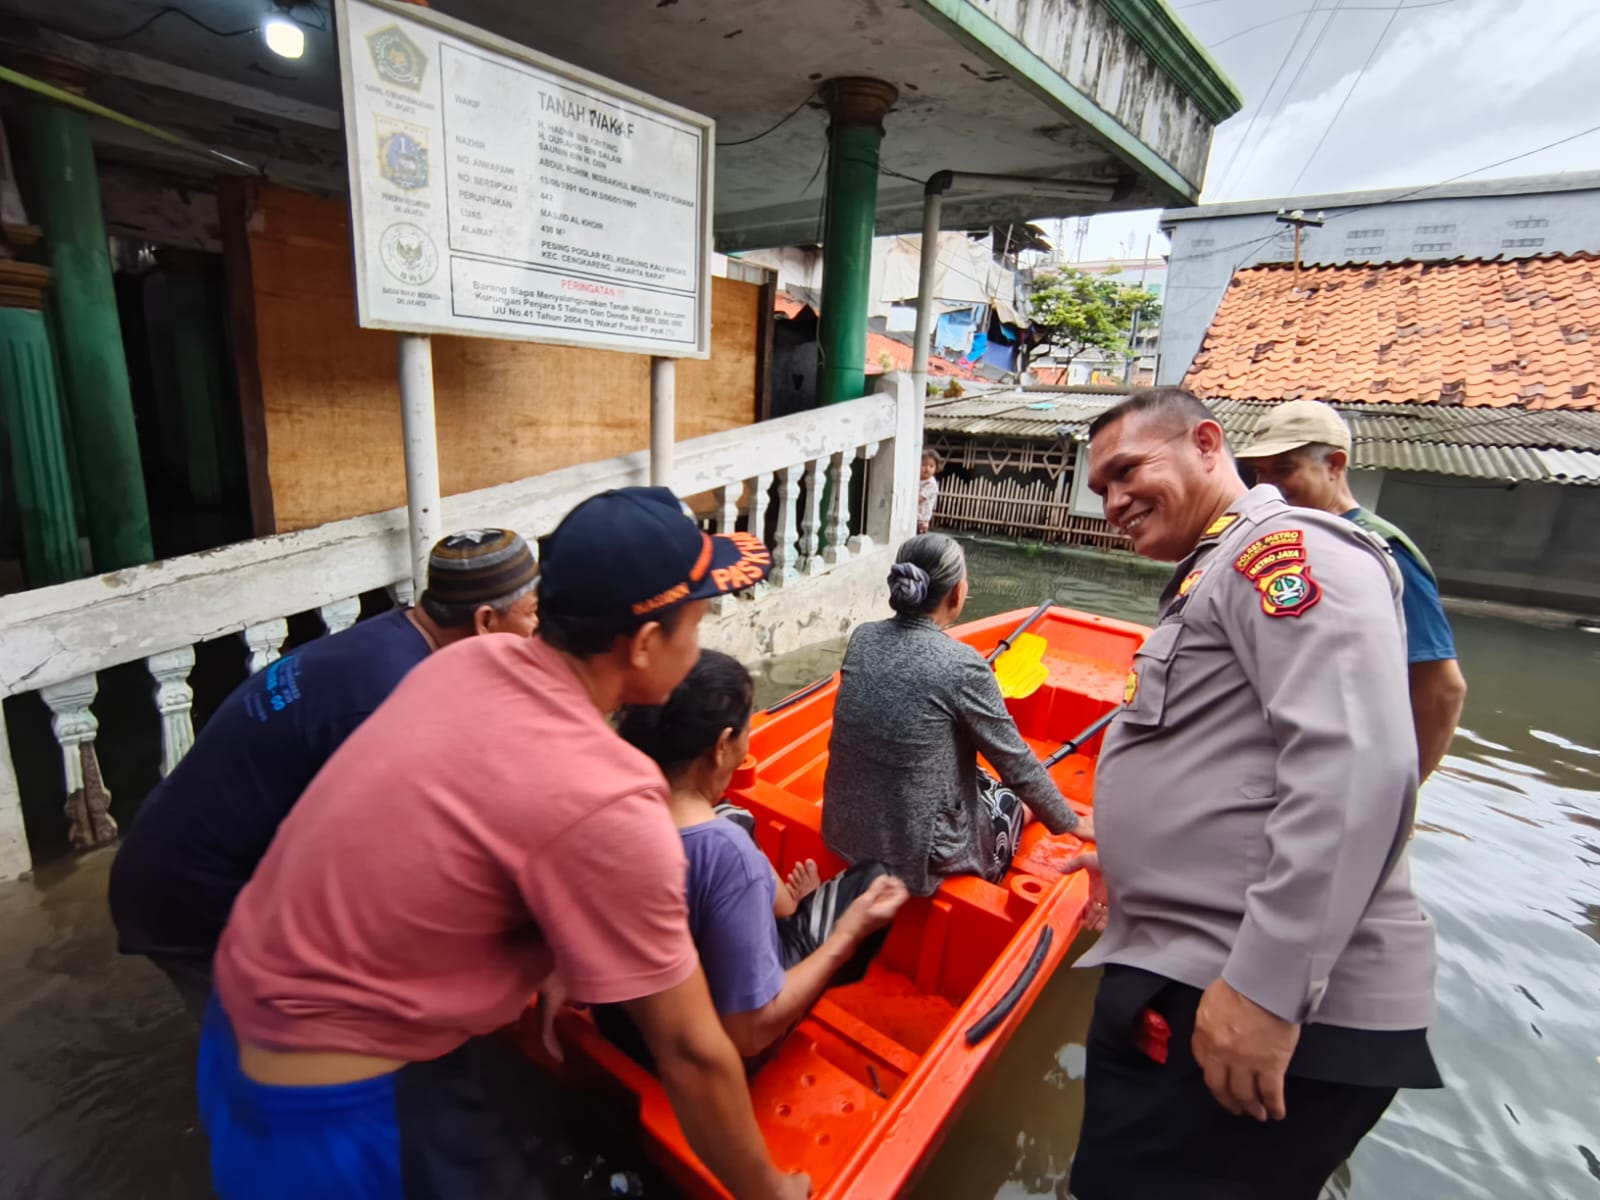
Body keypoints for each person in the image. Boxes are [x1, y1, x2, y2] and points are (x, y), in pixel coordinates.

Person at [199, 488, 805, 1200]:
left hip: (235, 1029)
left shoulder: (466, 664)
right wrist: (770, 1191)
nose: (698, 643)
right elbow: (692, 1053)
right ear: (643, 644)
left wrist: (551, 955)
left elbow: (454, 830)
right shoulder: (609, 797)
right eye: (695, 624)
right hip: (334, 1113)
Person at [1066, 389, 1440, 1200]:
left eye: (1127, 470)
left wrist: (1268, 991)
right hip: (1192, 969)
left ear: (1207, 443)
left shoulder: (1286, 555)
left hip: (1247, 992)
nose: (1113, 502)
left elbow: (1355, 766)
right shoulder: (1213, 570)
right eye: (1099, 489)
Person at [108, 528, 541, 1018]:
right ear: (485, 621)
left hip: (174, 850)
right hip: (194, 893)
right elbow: (386, 873)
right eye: (532, 614)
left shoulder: (396, 638)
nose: (538, 630)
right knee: (278, 1050)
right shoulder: (389, 702)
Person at [605, 650, 910, 1064]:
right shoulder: (727, 853)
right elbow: (747, 1034)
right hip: (704, 1054)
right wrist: (847, 935)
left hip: (626, 1027)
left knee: (734, 814)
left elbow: (779, 904)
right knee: (872, 882)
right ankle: (802, 1001)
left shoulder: (608, 807)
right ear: (720, 746)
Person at [822, 532, 1089, 897]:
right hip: (916, 861)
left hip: (843, 830)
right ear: (957, 594)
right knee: (1008, 800)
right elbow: (1017, 765)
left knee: (970, 771)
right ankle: (1023, 817)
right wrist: (1072, 823)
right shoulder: (962, 665)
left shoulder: (863, 637)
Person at [1236, 399, 1467, 781]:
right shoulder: (1288, 540)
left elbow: (1442, 690)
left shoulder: (1380, 551)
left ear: (1335, 465)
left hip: (1347, 776)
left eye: (1284, 470)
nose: (1268, 487)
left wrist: (1401, 796)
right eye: (1260, 473)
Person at [917, 448, 941, 533]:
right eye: (924, 465)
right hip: (914, 517)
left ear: (936, 468)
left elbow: (919, 500)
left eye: (931, 466)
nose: (927, 469)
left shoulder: (931, 484)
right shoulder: (917, 479)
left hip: (921, 521)